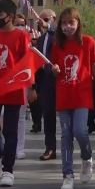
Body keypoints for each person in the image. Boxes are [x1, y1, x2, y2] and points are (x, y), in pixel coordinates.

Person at [49, 7, 95, 189]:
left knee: (80, 131)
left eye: (71, 22)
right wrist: (54, 70)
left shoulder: (88, 42)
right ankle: (67, 175)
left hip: (82, 95)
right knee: (66, 135)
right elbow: (54, 67)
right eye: (64, 23)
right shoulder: (57, 45)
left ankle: (87, 157)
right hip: (63, 95)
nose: (67, 27)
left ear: (78, 23)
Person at [0, 0, 32, 187]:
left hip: (14, 89)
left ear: (9, 16)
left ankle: (8, 170)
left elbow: (27, 63)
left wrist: (30, 87)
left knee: (11, 130)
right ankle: (2, 151)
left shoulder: (21, 36)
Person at [32, 9, 58, 160]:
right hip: (46, 83)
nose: (42, 22)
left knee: (69, 118)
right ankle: (50, 147)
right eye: (40, 20)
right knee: (48, 116)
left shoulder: (60, 35)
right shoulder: (40, 40)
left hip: (60, 80)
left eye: (46, 19)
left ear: (54, 20)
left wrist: (49, 26)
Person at [13, 13, 31, 160]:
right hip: (7, 83)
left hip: (22, 83)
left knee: (20, 117)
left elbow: (29, 65)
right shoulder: (6, 39)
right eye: (17, 23)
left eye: (22, 23)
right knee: (4, 115)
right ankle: (7, 144)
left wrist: (32, 87)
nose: (20, 26)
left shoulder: (28, 41)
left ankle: (19, 148)